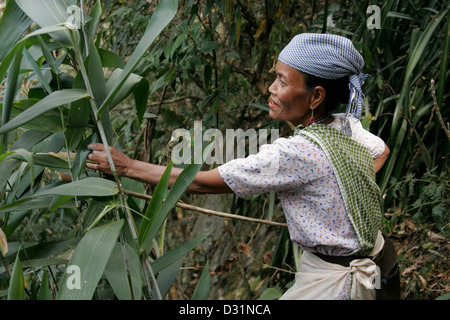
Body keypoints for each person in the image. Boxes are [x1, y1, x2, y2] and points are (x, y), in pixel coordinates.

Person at [85, 33, 399, 300]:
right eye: (274, 76)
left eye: (281, 80)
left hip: (338, 283)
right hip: (383, 263)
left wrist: (125, 167)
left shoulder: (295, 153)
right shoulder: (345, 124)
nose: (271, 88)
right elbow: (381, 151)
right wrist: (342, 194)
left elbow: (201, 183)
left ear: (315, 96)